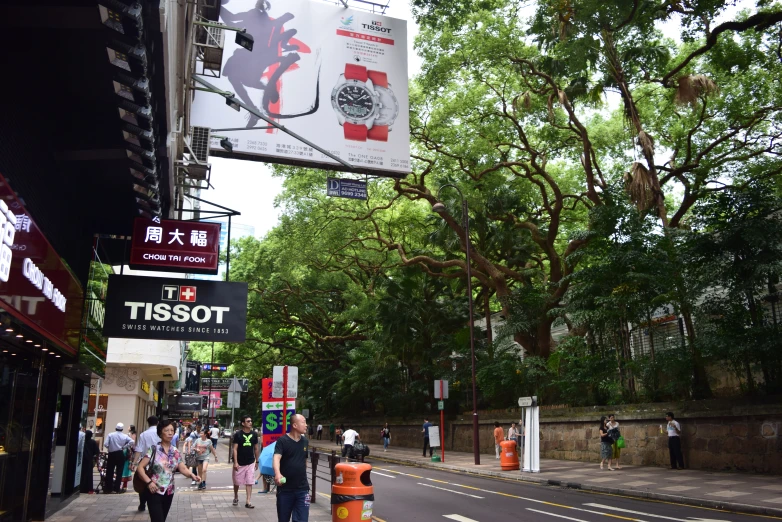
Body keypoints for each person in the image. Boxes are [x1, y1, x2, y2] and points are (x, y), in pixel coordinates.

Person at [135, 419, 201, 522]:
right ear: (160, 432)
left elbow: (182, 467)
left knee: (162, 518)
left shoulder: (175, 451)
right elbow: (140, 468)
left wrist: (192, 475)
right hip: (154, 491)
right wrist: (149, 483)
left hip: (169, 492)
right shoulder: (154, 449)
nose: (170, 433)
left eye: (172, 430)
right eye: (167, 430)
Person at [274, 414, 310, 522]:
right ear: (294, 425)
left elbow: (305, 460)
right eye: (303, 422)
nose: (306, 425)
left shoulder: (305, 441)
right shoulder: (282, 441)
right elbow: (276, 458)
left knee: (302, 520)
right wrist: (277, 473)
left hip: (303, 490)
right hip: (285, 490)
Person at [232, 415, 260, 508]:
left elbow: (256, 448)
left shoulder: (254, 434)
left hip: (250, 462)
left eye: (251, 421)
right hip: (239, 462)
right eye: (248, 421)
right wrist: (235, 462)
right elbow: (235, 449)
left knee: (249, 482)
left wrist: (257, 461)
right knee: (236, 482)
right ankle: (236, 496)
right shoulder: (238, 434)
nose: (250, 422)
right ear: (243, 423)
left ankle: (248, 501)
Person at [134, 416, 160, 511]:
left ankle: (142, 503)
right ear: (157, 422)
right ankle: (153, 503)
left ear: (148, 423)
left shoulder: (143, 434)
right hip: (158, 462)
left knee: (143, 483)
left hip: (145, 463)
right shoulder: (160, 433)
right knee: (156, 482)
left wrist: (134, 463)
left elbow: (139, 449)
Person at [104, 423, 133, 493]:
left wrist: (110, 447)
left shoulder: (110, 435)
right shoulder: (124, 436)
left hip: (111, 454)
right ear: (122, 429)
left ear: (115, 428)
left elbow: (105, 444)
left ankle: (108, 488)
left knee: (109, 471)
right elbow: (132, 441)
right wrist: (124, 447)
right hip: (120, 453)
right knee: (119, 472)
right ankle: (117, 488)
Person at [121, 425, 137, 491]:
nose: (128, 427)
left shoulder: (128, 435)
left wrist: (125, 447)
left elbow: (131, 442)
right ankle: (124, 485)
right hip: (130, 452)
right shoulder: (134, 434)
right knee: (127, 467)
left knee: (123, 467)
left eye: (129, 426)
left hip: (126, 451)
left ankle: (121, 485)